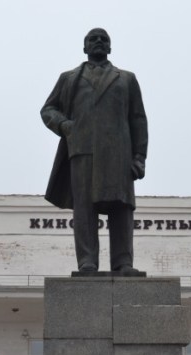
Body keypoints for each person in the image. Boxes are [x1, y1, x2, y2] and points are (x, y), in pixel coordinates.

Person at [41, 28, 148, 275]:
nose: (99, 41)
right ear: (85, 47)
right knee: (84, 208)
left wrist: (139, 157)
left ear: (110, 48)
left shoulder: (127, 79)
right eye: (93, 39)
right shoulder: (69, 78)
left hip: (119, 154)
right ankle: (87, 261)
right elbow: (48, 109)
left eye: (104, 39)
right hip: (82, 150)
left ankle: (123, 262)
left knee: (122, 207)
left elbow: (138, 119)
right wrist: (64, 125)